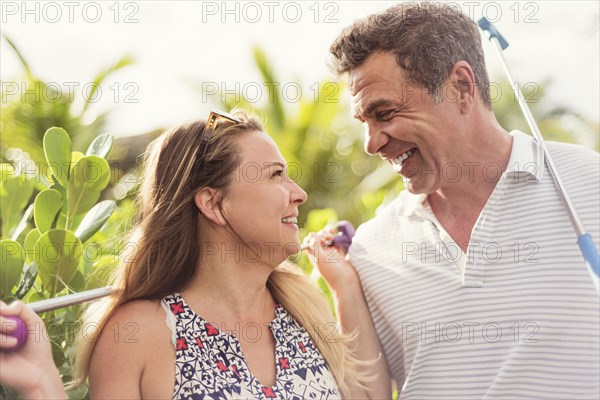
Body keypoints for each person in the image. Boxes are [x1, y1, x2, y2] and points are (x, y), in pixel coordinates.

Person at [0, 110, 390, 399]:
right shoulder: (138, 333)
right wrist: (41, 384)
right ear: (213, 204)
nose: (299, 193)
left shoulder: (302, 306)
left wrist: (344, 287)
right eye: (275, 175)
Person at [326, 2, 600, 398]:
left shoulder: (590, 184)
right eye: (363, 123)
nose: (371, 143)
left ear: (460, 86)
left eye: (384, 113)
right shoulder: (371, 250)